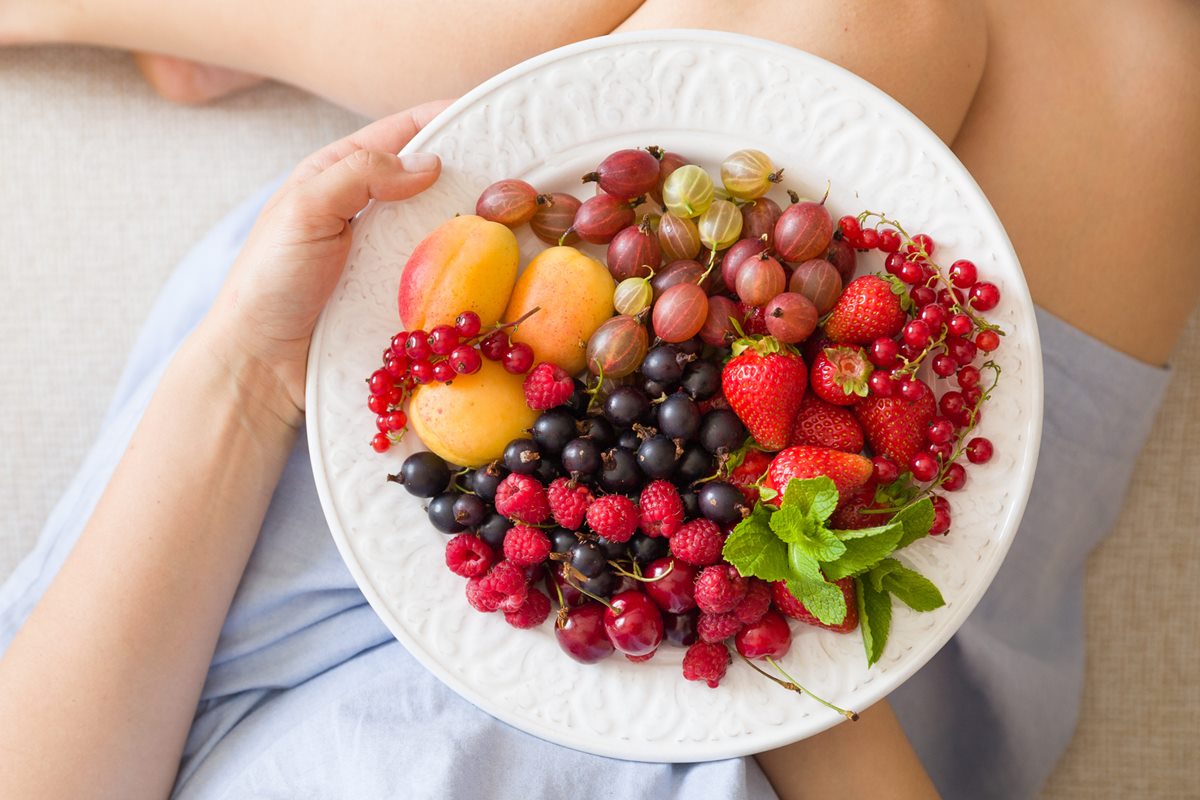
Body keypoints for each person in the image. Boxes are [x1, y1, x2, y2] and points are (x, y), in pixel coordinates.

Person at [0, 1, 1197, 798]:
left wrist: (252, 373)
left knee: (866, 15)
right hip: (797, 674)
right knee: (1133, 46)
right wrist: (775, 626)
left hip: (305, 588)